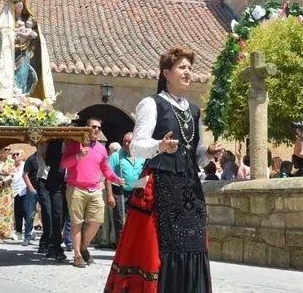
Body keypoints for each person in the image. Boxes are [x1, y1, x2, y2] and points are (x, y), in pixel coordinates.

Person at [105, 46, 224, 292]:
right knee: (164, 246)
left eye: (190, 68)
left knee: (193, 245)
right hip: (160, 187)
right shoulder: (151, 104)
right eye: (182, 67)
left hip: (189, 189)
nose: (188, 72)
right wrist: (160, 145)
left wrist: (209, 153)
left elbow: (195, 154)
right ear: (166, 73)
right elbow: (137, 146)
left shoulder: (194, 110)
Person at [62, 118, 122, 266]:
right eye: (93, 127)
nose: (96, 130)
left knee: (97, 220)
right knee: (77, 223)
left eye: (98, 128)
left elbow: (106, 168)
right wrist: (78, 156)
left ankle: (83, 247)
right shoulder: (75, 144)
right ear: (86, 128)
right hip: (76, 188)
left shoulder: (101, 148)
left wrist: (116, 178)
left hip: (94, 188)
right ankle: (77, 255)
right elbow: (64, 164)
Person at [107, 133, 145, 244]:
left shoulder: (142, 155)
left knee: (137, 220)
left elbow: (147, 173)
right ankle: (120, 250)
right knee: (120, 221)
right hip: (120, 192)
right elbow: (108, 176)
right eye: (124, 141)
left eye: (129, 141)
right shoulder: (116, 156)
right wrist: (109, 195)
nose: (126, 143)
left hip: (137, 192)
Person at [20, 149, 39, 246]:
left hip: (44, 190)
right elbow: (25, 175)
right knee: (30, 214)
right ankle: (27, 236)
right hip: (33, 190)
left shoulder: (47, 158)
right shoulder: (32, 159)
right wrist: (31, 189)